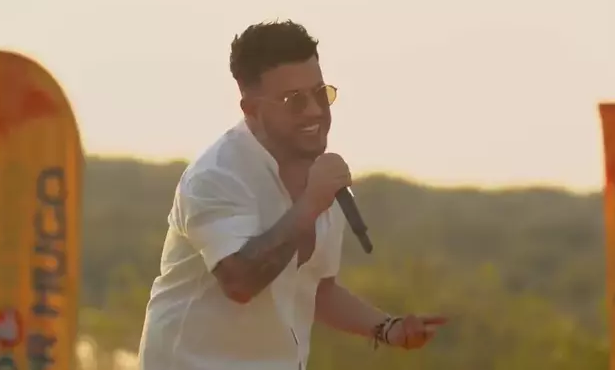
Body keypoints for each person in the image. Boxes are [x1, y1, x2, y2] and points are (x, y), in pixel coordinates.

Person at [137, 20, 448, 370]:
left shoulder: (320, 176)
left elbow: (315, 289)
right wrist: (311, 204)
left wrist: (388, 328)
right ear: (251, 109)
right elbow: (240, 282)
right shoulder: (216, 176)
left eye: (320, 93)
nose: (314, 110)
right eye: (294, 100)